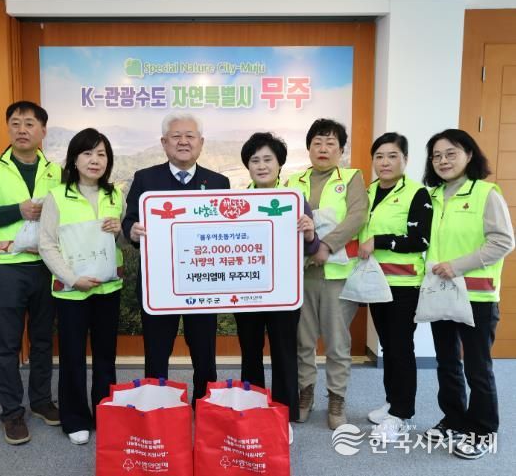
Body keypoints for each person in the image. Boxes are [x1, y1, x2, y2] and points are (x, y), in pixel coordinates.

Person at [0, 101, 61, 445]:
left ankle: (41, 401)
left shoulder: (57, 171)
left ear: (43, 131)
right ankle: (11, 413)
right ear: (8, 128)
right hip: (7, 269)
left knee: (43, 340)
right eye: (16, 123)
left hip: (47, 267)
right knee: (7, 344)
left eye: (30, 124)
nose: (22, 130)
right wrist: (16, 210)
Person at [122, 112, 230, 405]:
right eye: (176, 136)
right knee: (157, 352)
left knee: (204, 353)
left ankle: (204, 405)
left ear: (201, 142)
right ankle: (159, 407)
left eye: (190, 136)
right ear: (164, 142)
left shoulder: (218, 181)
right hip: (159, 283)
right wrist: (132, 230)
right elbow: (129, 220)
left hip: (203, 282)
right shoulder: (145, 178)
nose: (183, 142)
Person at [421, 129, 514, 460]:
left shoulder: (486, 193)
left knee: (477, 367)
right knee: (447, 362)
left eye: (451, 153)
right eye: (437, 155)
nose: (443, 160)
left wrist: (457, 266)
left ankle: (483, 430)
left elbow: (503, 242)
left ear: (469, 155)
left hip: (477, 295)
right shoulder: (431, 196)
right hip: (440, 292)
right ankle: (454, 419)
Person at [39, 128, 124, 445]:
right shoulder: (57, 196)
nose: (95, 160)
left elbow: (117, 241)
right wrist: (72, 278)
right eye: (88, 153)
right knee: (73, 355)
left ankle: (105, 413)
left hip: (108, 288)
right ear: (74, 159)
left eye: (101, 154)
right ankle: (74, 418)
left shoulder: (115, 195)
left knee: (106, 355)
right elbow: (47, 244)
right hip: (72, 290)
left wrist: (119, 230)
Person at [234, 132, 320, 444]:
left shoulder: (294, 200)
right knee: (250, 353)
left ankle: (283, 416)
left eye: (267, 159)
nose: (261, 165)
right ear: (248, 166)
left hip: (283, 292)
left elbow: (312, 248)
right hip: (246, 291)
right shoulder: (236, 202)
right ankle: (254, 411)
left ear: (279, 164)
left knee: (285, 353)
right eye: (254, 160)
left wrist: (309, 233)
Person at [286, 118, 368, 430]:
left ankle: (336, 399)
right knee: (303, 341)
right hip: (302, 275)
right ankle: (305, 394)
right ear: (308, 148)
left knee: (337, 342)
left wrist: (326, 245)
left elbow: (357, 217)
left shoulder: (351, 177)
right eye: (317, 143)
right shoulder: (293, 181)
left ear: (341, 150)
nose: (323, 148)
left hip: (336, 274)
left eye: (330, 143)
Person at [357, 133, 432, 441]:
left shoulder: (417, 193)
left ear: (405, 160)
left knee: (401, 347)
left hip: (404, 284)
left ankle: (402, 414)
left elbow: (420, 240)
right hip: (376, 282)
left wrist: (379, 240)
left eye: (392, 156)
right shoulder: (369, 191)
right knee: (388, 345)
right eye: (379, 156)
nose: (385, 162)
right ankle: (392, 403)